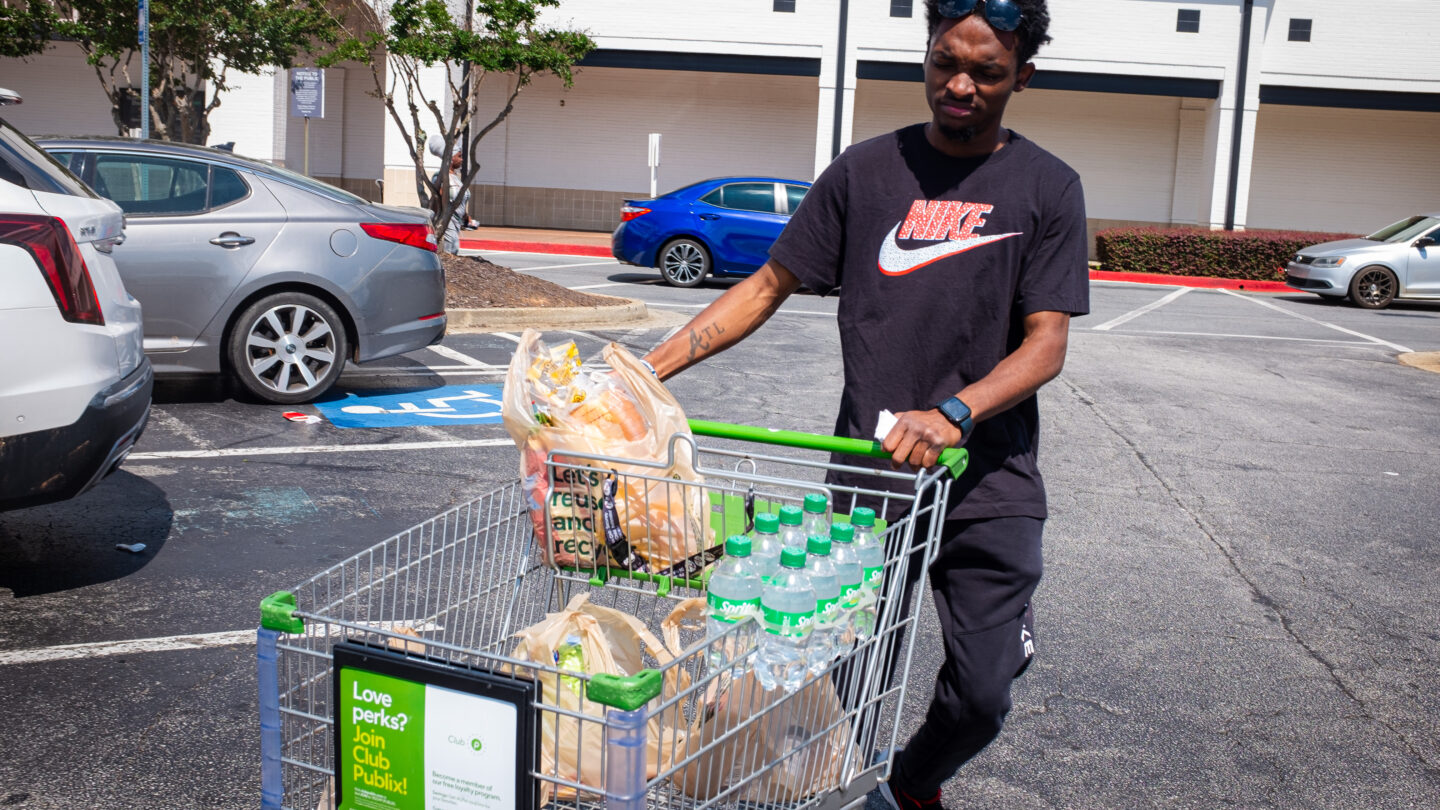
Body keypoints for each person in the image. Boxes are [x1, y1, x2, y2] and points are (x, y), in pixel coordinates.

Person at [640, 1, 1086, 806]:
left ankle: (915, 785)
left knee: (984, 694)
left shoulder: (1047, 187)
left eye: (986, 72)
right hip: (870, 484)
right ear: (925, 54)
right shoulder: (866, 171)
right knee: (843, 686)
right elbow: (769, 284)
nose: (960, 85)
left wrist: (954, 412)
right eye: (945, 62)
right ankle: (847, 789)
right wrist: (647, 372)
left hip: (989, 482)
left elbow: (1046, 344)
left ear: (1022, 75)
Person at [427, 134, 479, 253]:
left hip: (455, 224)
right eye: (459, 156)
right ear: (451, 159)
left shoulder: (455, 177)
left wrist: (466, 218)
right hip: (447, 224)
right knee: (450, 251)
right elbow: (437, 203)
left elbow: (457, 201)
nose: (462, 159)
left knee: (453, 251)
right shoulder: (440, 178)